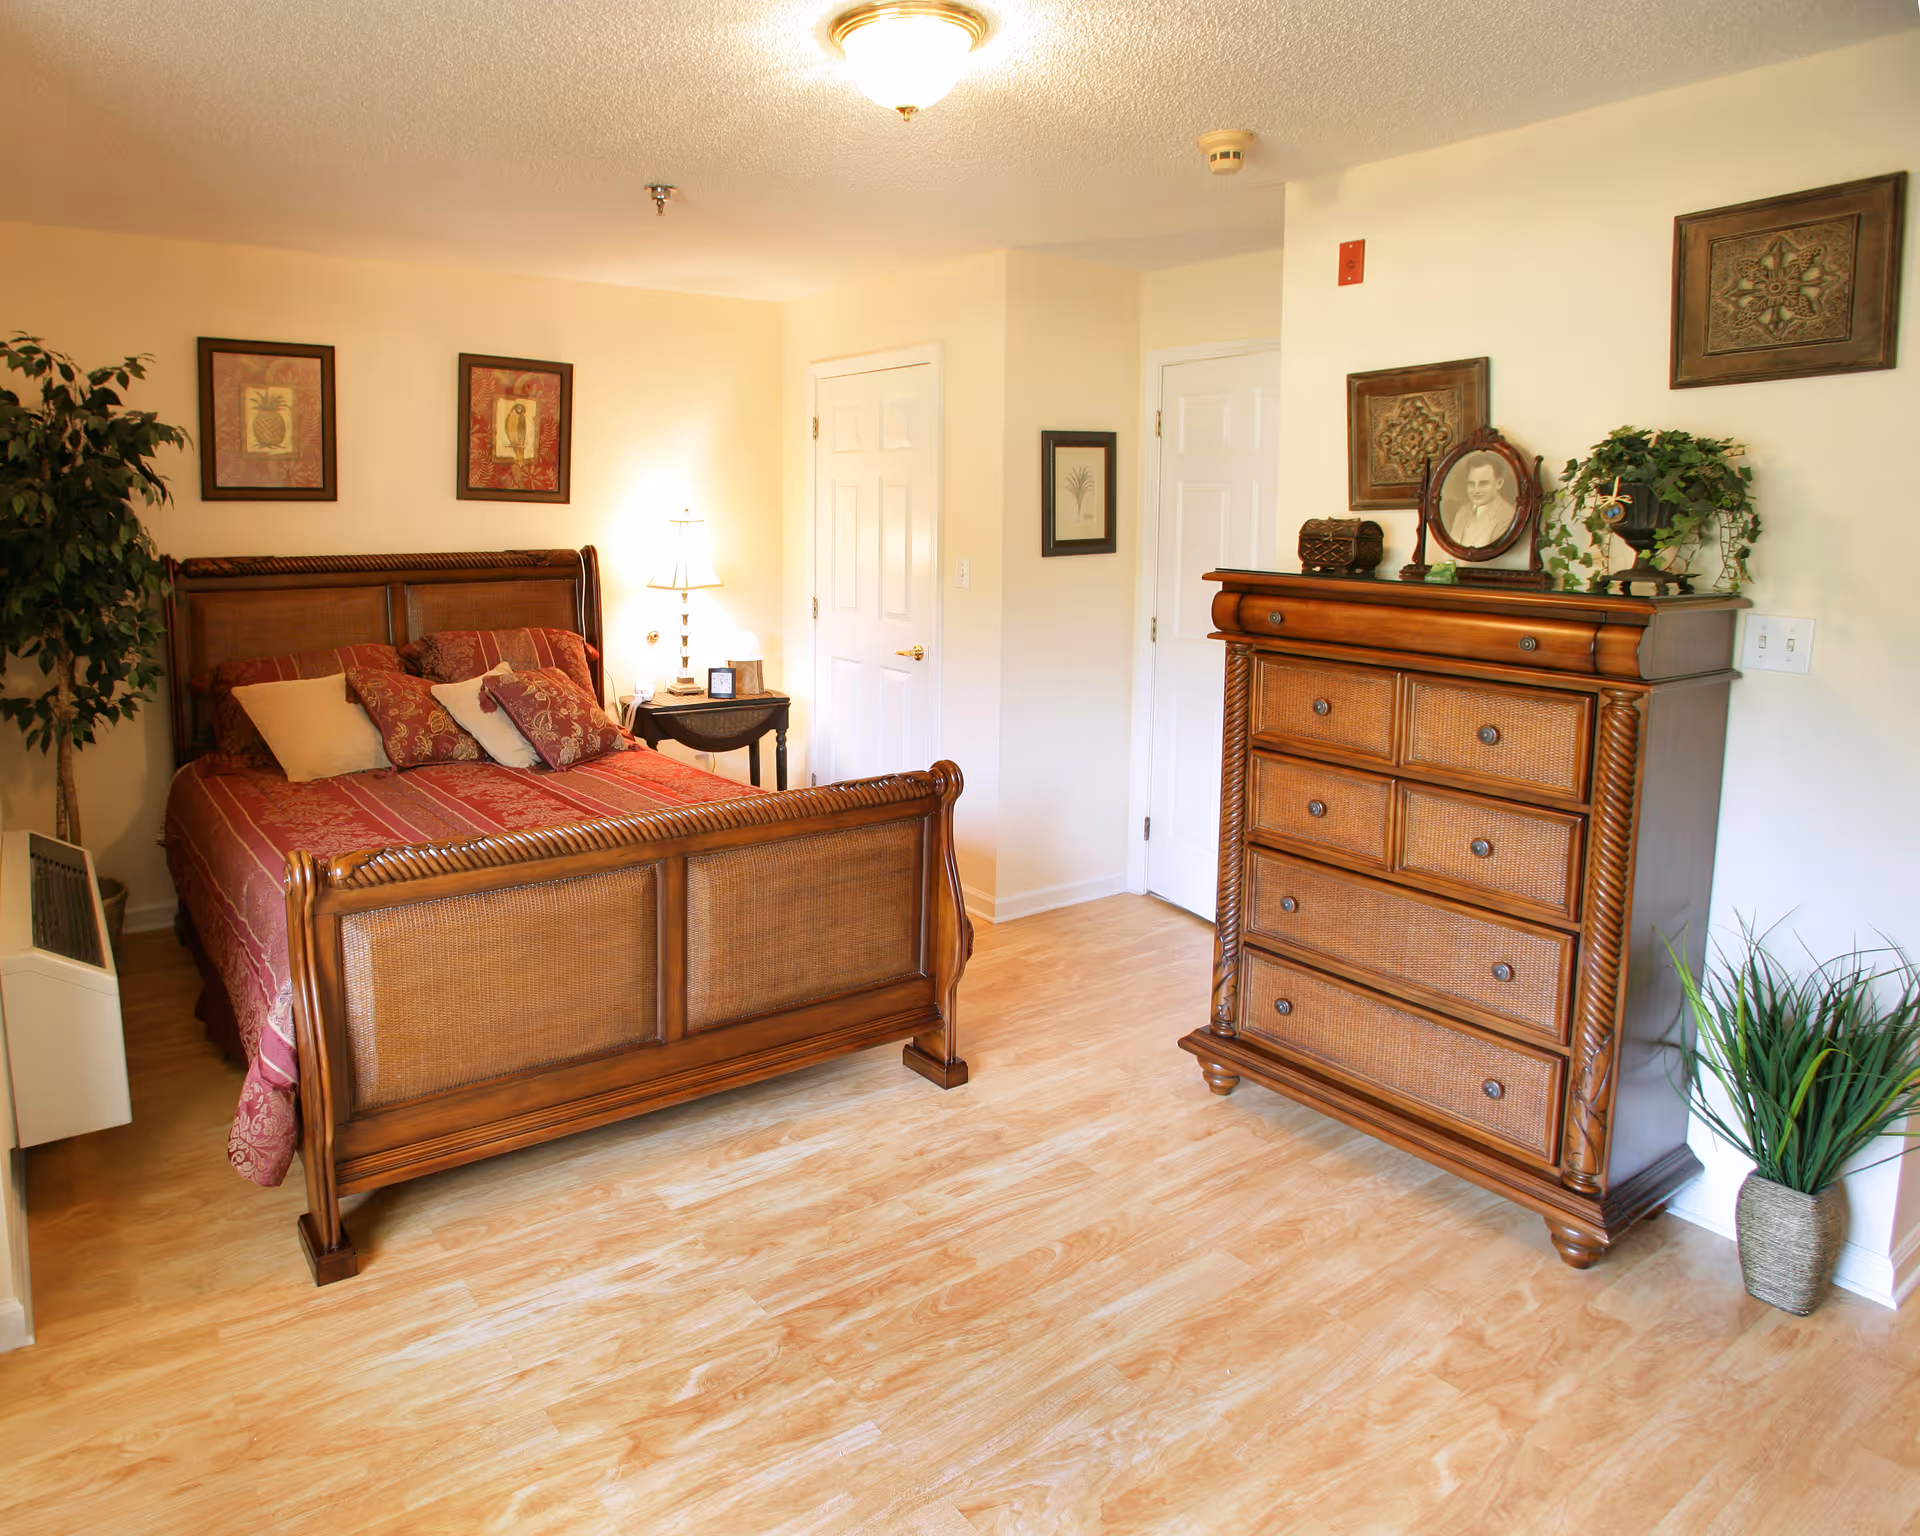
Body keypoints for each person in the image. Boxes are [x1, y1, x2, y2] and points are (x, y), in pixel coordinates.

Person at [1441, 455, 1516, 548]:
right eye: (1471, 484)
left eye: (1483, 483)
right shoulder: (1462, 510)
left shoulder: (1508, 517)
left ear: (1499, 483)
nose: (1476, 490)